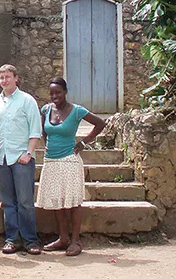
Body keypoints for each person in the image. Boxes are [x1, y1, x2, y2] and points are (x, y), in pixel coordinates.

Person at [37, 77, 105, 256]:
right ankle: (63, 238)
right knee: (56, 201)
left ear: (65, 92)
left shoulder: (76, 111)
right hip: (51, 161)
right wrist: (48, 146)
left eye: (58, 92)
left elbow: (100, 123)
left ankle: (75, 241)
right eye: (51, 93)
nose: (55, 96)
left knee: (74, 201)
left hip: (70, 160)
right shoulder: (45, 109)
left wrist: (83, 142)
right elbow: (45, 132)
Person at [0, 64, 42, 255]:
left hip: (21, 158)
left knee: (25, 201)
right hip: (1, 157)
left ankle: (30, 240)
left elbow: (36, 129)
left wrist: (28, 152)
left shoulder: (27, 101)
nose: (4, 81)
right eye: (1, 77)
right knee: (8, 201)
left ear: (16, 78)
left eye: (8, 77)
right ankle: (12, 239)